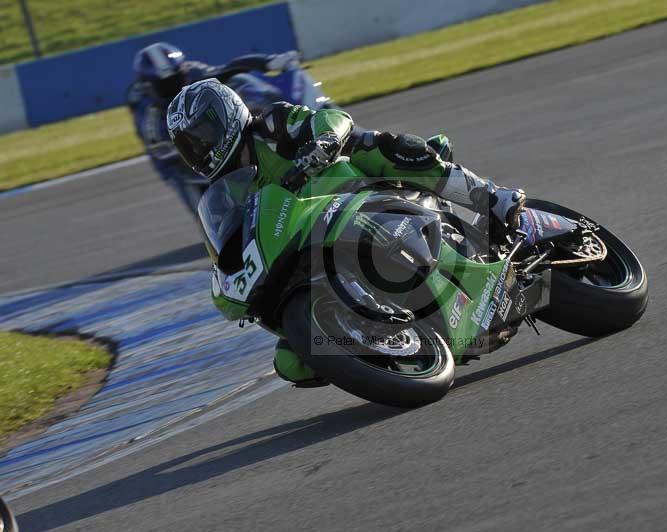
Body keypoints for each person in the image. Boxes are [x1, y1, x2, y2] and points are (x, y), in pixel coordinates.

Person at [167, 79, 525, 386]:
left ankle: (492, 197)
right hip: (314, 242)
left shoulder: (271, 126)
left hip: (356, 190)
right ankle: (375, 339)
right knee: (290, 362)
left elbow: (334, 119)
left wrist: (323, 141)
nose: (200, 148)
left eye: (202, 135)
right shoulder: (227, 189)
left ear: (226, 113)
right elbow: (230, 241)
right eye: (189, 145)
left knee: (378, 146)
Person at [127, 42, 298, 211]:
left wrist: (267, 62)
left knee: (241, 81)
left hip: (208, 140)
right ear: (148, 86)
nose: (174, 87)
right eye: (164, 85)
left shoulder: (191, 71)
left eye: (176, 78)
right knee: (205, 208)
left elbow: (227, 70)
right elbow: (162, 151)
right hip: (178, 165)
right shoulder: (147, 112)